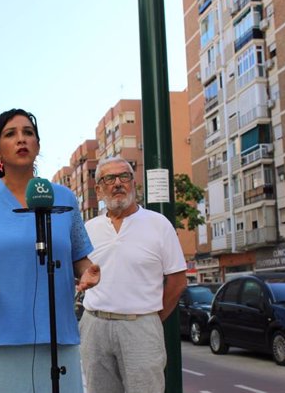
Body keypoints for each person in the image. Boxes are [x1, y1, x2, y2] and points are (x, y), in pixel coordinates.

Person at [0, 108, 101, 393]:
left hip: (56, 340)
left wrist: (88, 272)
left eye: (28, 133)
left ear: (38, 146)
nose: (22, 139)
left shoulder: (64, 198)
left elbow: (80, 257)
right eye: (11, 134)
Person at [80, 155, 187, 393]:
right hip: (94, 326)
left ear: (133, 184)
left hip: (141, 325)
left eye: (124, 176)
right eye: (109, 178)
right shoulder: (88, 229)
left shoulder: (158, 224)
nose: (118, 183)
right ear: (98, 189)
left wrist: (150, 318)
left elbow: (178, 282)